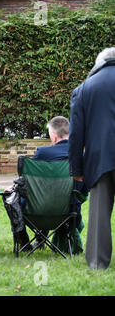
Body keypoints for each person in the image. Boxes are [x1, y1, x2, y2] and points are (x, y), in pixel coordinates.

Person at [69, 47, 115, 269]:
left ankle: (98, 262)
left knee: (99, 214)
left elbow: (76, 134)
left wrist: (76, 169)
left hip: (100, 160)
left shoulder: (85, 88)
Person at [13, 116, 87, 251]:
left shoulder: (43, 153)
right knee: (51, 196)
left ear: (53, 136)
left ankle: (25, 242)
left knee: (26, 198)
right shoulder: (80, 155)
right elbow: (83, 190)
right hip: (70, 212)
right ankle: (42, 240)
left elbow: (32, 184)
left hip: (37, 210)